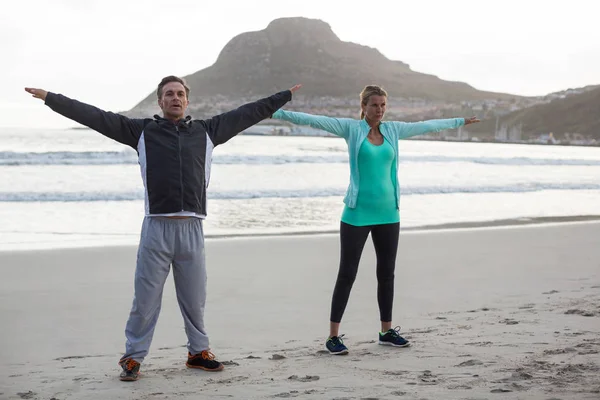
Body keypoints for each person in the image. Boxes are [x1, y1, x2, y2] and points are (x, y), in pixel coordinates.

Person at [25, 77, 301, 380]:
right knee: (145, 300)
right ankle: (132, 358)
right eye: (169, 94)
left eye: (180, 94)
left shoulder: (207, 131)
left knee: (194, 299)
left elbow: (247, 113)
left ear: (187, 101)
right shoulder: (141, 131)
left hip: (192, 229)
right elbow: (95, 116)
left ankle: (198, 352)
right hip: (156, 228)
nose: (175, 98)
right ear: (160, 101)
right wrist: (52, 98)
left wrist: (282, 96)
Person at [271, 85, 480, 355]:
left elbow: (427, 126)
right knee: (347, 274)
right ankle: (333, 336)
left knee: (387, 273)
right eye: (374, 105)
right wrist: (273, 112)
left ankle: (386, 331)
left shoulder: (393, 130)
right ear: (364, 107)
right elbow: (311, 120)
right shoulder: (350, 129)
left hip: (388, 213)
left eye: (383, 105)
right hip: (357, 213)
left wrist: (459, 121)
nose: (379, 110)